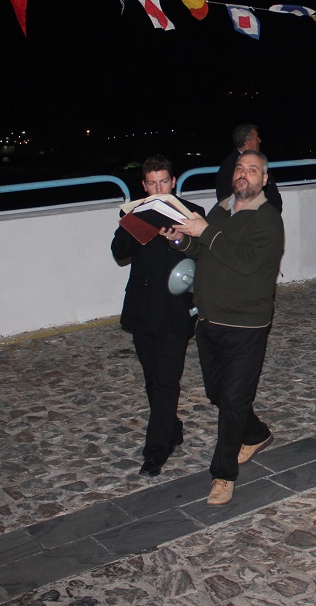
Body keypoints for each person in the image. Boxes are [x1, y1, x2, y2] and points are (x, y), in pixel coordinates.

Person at [163, 149, 286, 506]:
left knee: (232, 401)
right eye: (239, 168)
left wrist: (206, 231)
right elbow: (204, 250)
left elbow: (245, 261)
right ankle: (257, 433)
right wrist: (181, 239)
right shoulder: (221, 209)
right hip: (209, 320)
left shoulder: (268, 219)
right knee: (219, 393)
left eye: (252, 170)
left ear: (264, 179)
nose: (243, 174)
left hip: (246, 325)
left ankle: (223, 474)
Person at [110, 156, 202, 477]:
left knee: (166, 381)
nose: (159, 188)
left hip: (176, 309)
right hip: (143, 308)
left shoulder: (193, 212)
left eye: (164, 182)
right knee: (152, 379)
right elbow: (119, 252)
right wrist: (139, 224)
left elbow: (205, 255)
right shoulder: (135, 214)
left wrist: (180, 237)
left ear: (173, 182)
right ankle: (172, 428)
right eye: (152, 183)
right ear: (144, 185)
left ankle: (156, 451)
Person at [216, 124, 283, 212]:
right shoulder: (229, 167)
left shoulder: (258, 161)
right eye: (256, 137)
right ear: (248, 142)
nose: (259, 140)